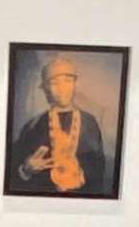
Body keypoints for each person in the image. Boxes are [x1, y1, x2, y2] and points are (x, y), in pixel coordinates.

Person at [9, 52, 113, 195]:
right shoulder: (33, 126)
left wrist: (80, 175)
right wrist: (26, 170)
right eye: (54, 82)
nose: (61, 88)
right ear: (45, 88)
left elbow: (98, 170)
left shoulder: (90, 123)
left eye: (67, 80)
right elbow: (11, 177)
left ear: (75, 84)